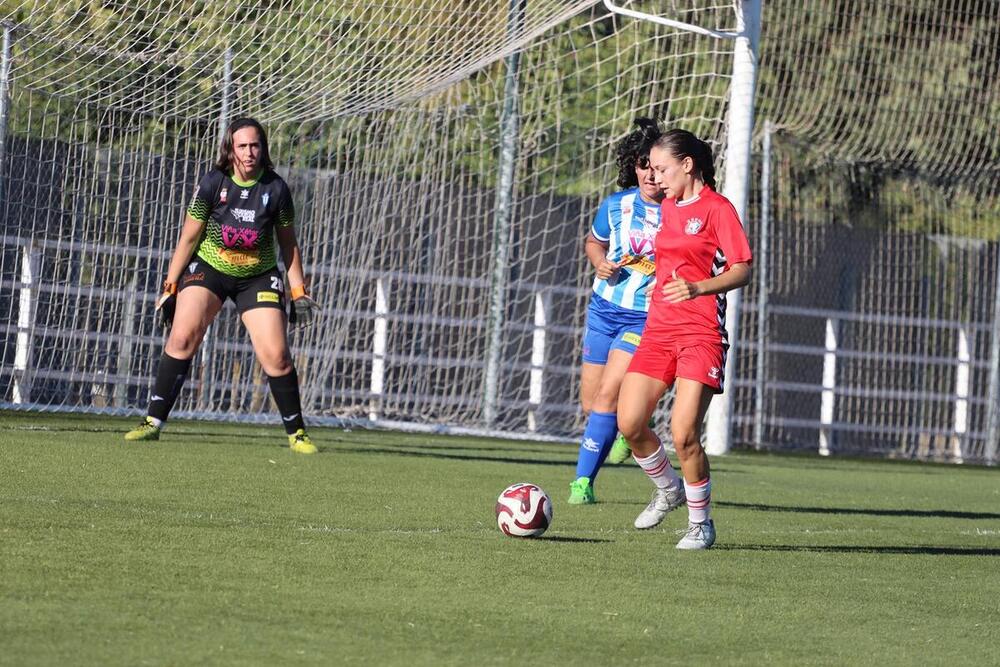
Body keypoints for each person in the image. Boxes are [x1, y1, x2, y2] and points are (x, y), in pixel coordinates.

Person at [124, 117, 321, 453]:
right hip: (211, 267)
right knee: (183, 336)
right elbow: (189, 237)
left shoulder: (276, 189)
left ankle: (298, 434)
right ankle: (152, 422)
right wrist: (171, 286)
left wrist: (298, 290)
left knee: (277, 356)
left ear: (263, 149)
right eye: (242, 146)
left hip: (257, 275)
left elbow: (288, 245)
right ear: (230, 149)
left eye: (255, 145)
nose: (249, 152)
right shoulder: (214, 183)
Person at [616, 129, 752, 549]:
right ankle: (669, 489)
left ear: (687, 164)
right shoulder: (670, 207)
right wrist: (641, 262)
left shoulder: (717, 209)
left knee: (684, 434)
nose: (655, 177)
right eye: (652, 169)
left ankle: (701, 523)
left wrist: (698, 288)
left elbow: (742, 268)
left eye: (662, 168)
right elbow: (673, 259)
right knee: (631, 422)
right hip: (659, 330)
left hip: (700, 333)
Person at [568, 118, 666, 505]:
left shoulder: (678, 212)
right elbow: (594, 242)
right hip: (604, 310)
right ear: (633, 165)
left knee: (609, 395)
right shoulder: (615, 205)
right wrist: (599, 262)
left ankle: (582, 484)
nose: (650, 175)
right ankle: (633, 426)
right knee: (591, 404)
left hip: (644, 317)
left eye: (657, 168)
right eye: (643, 165)